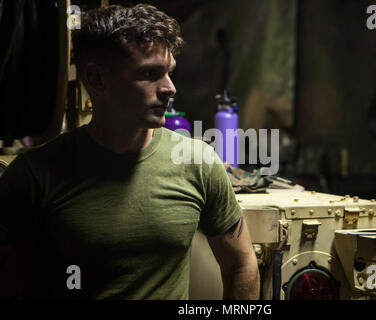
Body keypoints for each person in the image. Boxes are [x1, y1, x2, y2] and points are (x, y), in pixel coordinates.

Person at [0, 4, 259, 300]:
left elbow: (241, 263)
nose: (170, 88)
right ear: (97, 79)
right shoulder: (35, 174)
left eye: (169, 72)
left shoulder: (197, 162)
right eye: (150, 73)